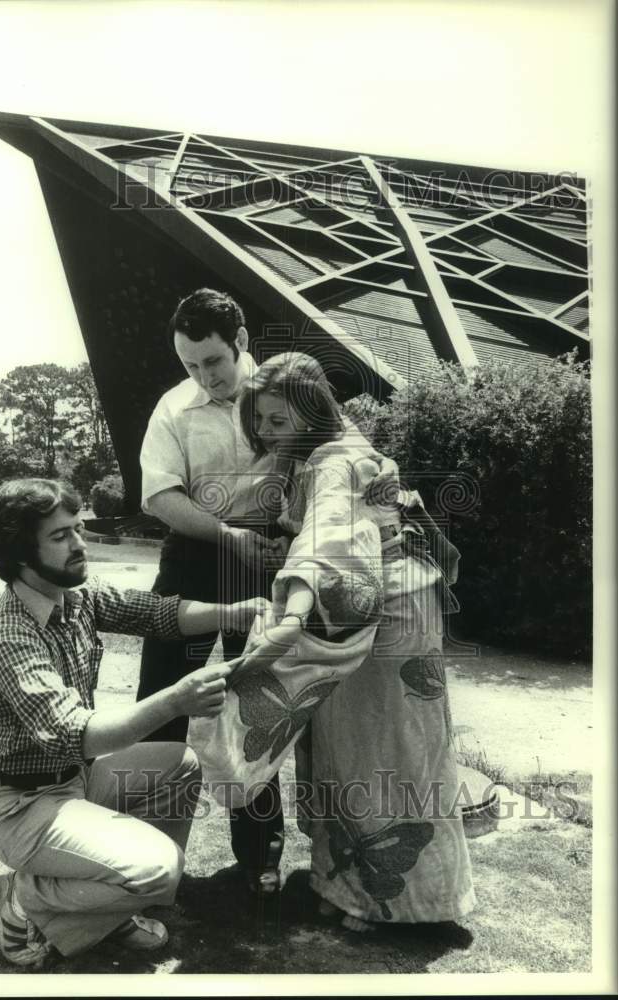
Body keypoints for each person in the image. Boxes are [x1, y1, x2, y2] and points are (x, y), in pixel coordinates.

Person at [136, 288, 397, 894]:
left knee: (258, 699)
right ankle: (148, 850)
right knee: (162, 692)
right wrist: (227, 535)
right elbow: (159, 496)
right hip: (198, 549)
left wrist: (290, 536)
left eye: (214, 363)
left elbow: (347, 455)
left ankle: (259, 859)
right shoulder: (173, 409)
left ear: (241, 344)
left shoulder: (287, 389)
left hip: (276, 555)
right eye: (190, 365)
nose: (205, 376)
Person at [0, 478, 267, 966]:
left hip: (75, 782)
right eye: (61, 535)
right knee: (159, 869)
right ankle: (22, 901)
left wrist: (235, 612)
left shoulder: (78, 596)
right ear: (21, 553)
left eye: (79, 528)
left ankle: (109, 907)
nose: (79, 543)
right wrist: (175, 700)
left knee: (182, 763)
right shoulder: (8, 636)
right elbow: (75, 734)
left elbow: (156, 613)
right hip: (20, 805)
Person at [238, 353, 476, 929]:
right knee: (396, 745)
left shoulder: (331, 460)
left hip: (378, 609)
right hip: (399, 597)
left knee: (378, 748)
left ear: (312, 411)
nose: (268, 433)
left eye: (277, 420)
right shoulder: (346, 446)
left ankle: (383, 903)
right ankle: (353, 886)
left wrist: (291, 611)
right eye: (261, 423)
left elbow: (327, 540)